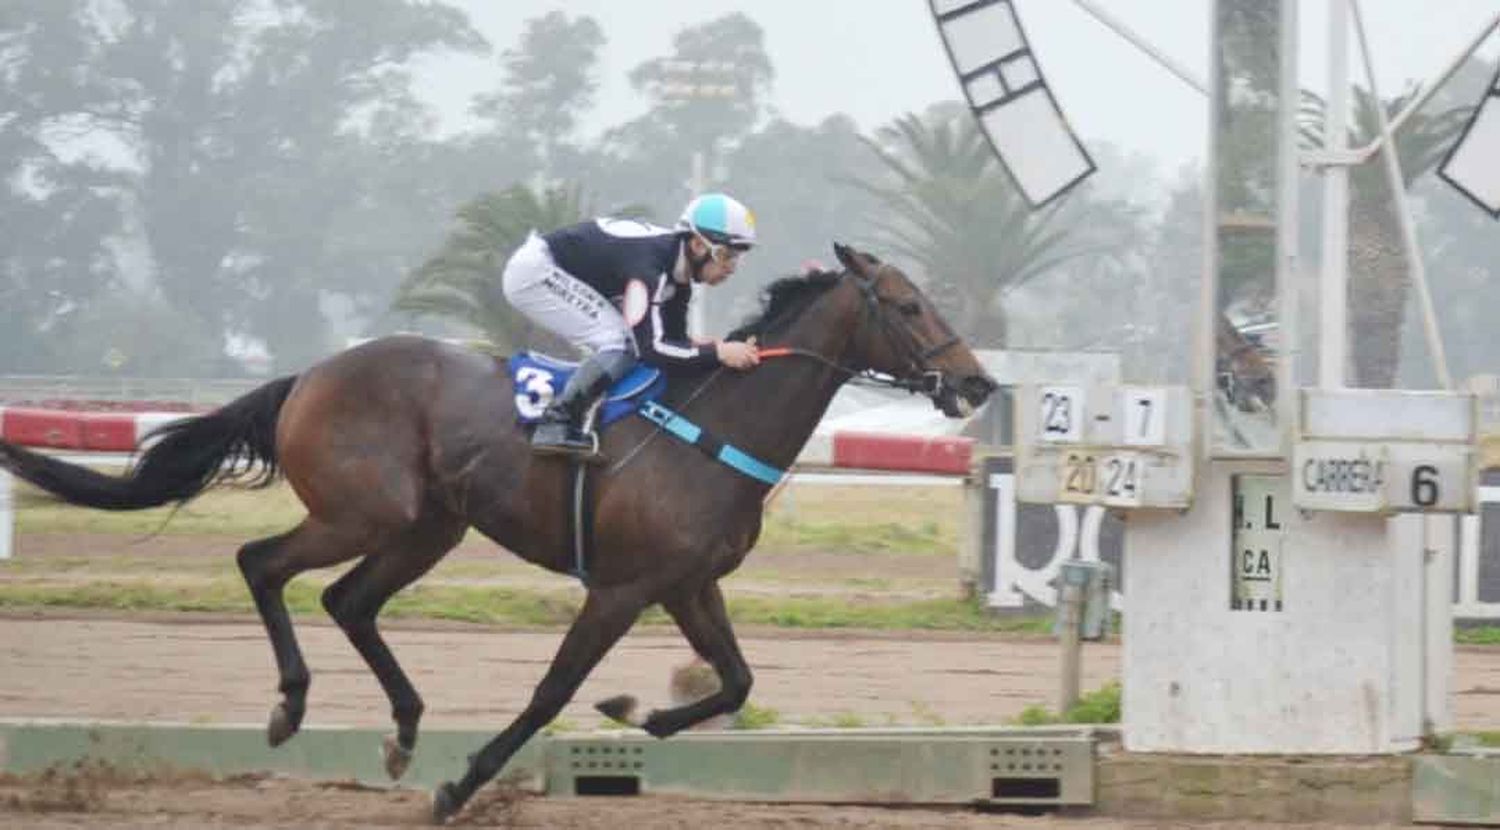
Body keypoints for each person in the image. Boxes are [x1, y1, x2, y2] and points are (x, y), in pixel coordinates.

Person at [500, 192, 762, 457]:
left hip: (556, 268)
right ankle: (557, 421)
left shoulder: (677, 278)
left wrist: (714, 348)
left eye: (738, 257)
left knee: (626, 341)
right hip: (535, 273)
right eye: (726, 254)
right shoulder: (650, 268)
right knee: (620, 341)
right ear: (696, 245)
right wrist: (718, 353)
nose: (731, 267)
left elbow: (674, 345)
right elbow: (652, 349)